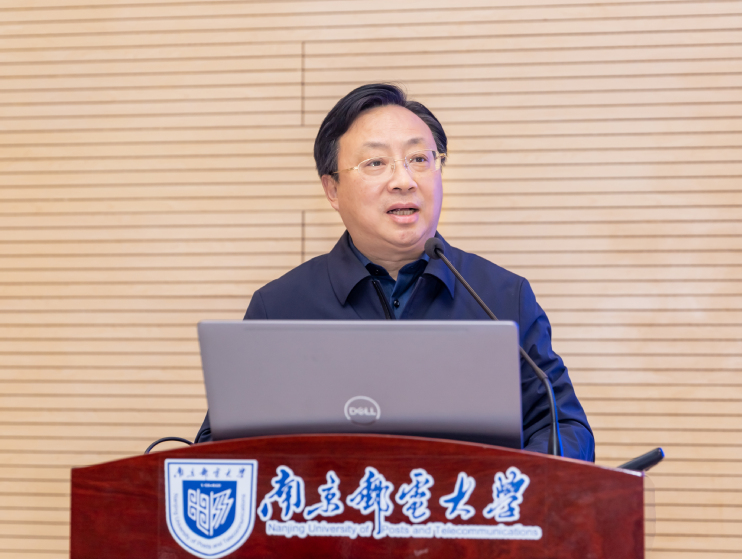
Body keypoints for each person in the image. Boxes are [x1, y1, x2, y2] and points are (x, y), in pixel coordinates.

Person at [195, 83, 594, 461]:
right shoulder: (281, 306)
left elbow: (564, 426)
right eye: (376, 163)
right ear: (332, 190)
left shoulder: (501, 296)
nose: (404, 181)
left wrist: (516, 478)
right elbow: (220, 444)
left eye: (419, 159)